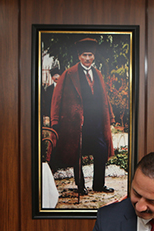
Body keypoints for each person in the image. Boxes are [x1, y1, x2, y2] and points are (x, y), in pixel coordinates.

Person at [50, 37, 115, 195]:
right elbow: (57, 98)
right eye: (84, 55)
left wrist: (111, 116)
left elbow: (104, 98)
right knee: (77, 152)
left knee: (101, 150)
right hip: (77, 123)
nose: (87, 58)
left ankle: (99, 184)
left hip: (97, 122)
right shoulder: (69, 74)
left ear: (94, 56)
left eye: (90, 55)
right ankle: (81, 186)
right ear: (79, 56)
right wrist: (55, 120)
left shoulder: (97, 74)